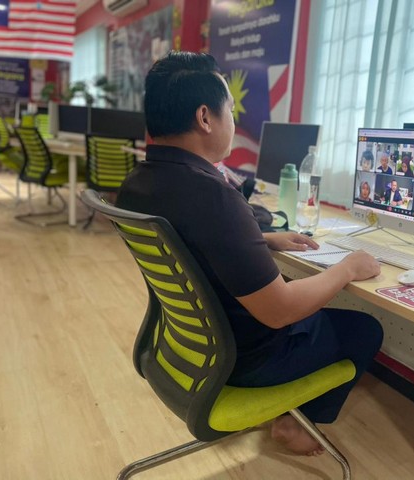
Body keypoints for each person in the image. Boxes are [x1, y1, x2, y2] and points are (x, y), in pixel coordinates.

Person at [115, 52, 383, 457]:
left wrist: (260, 238)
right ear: (205, 117)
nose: (234, 122)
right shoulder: (214, 196)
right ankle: (293, 424)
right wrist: (347, 268)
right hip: (245, 360)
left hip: (186, 348)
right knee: (365, 329)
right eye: (231, 111)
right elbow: (279, 311)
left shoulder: (138, 182)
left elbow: (191, 240)